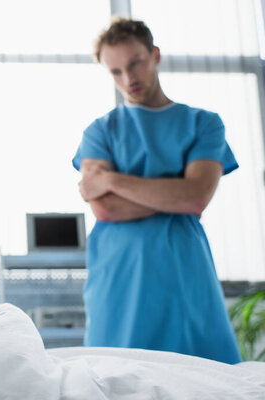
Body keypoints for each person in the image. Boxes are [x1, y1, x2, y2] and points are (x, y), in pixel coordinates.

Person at [72, 17, 242, 364]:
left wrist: (112, 180)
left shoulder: (204, 123)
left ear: (155, 55)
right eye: (116, 71)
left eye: (135, 63)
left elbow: (196, 197)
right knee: (114, 375)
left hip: (183, 272)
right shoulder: (99, 131)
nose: (128, 79)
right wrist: (173, 193)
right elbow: (106, 210)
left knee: (202, 378)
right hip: (119, 277)